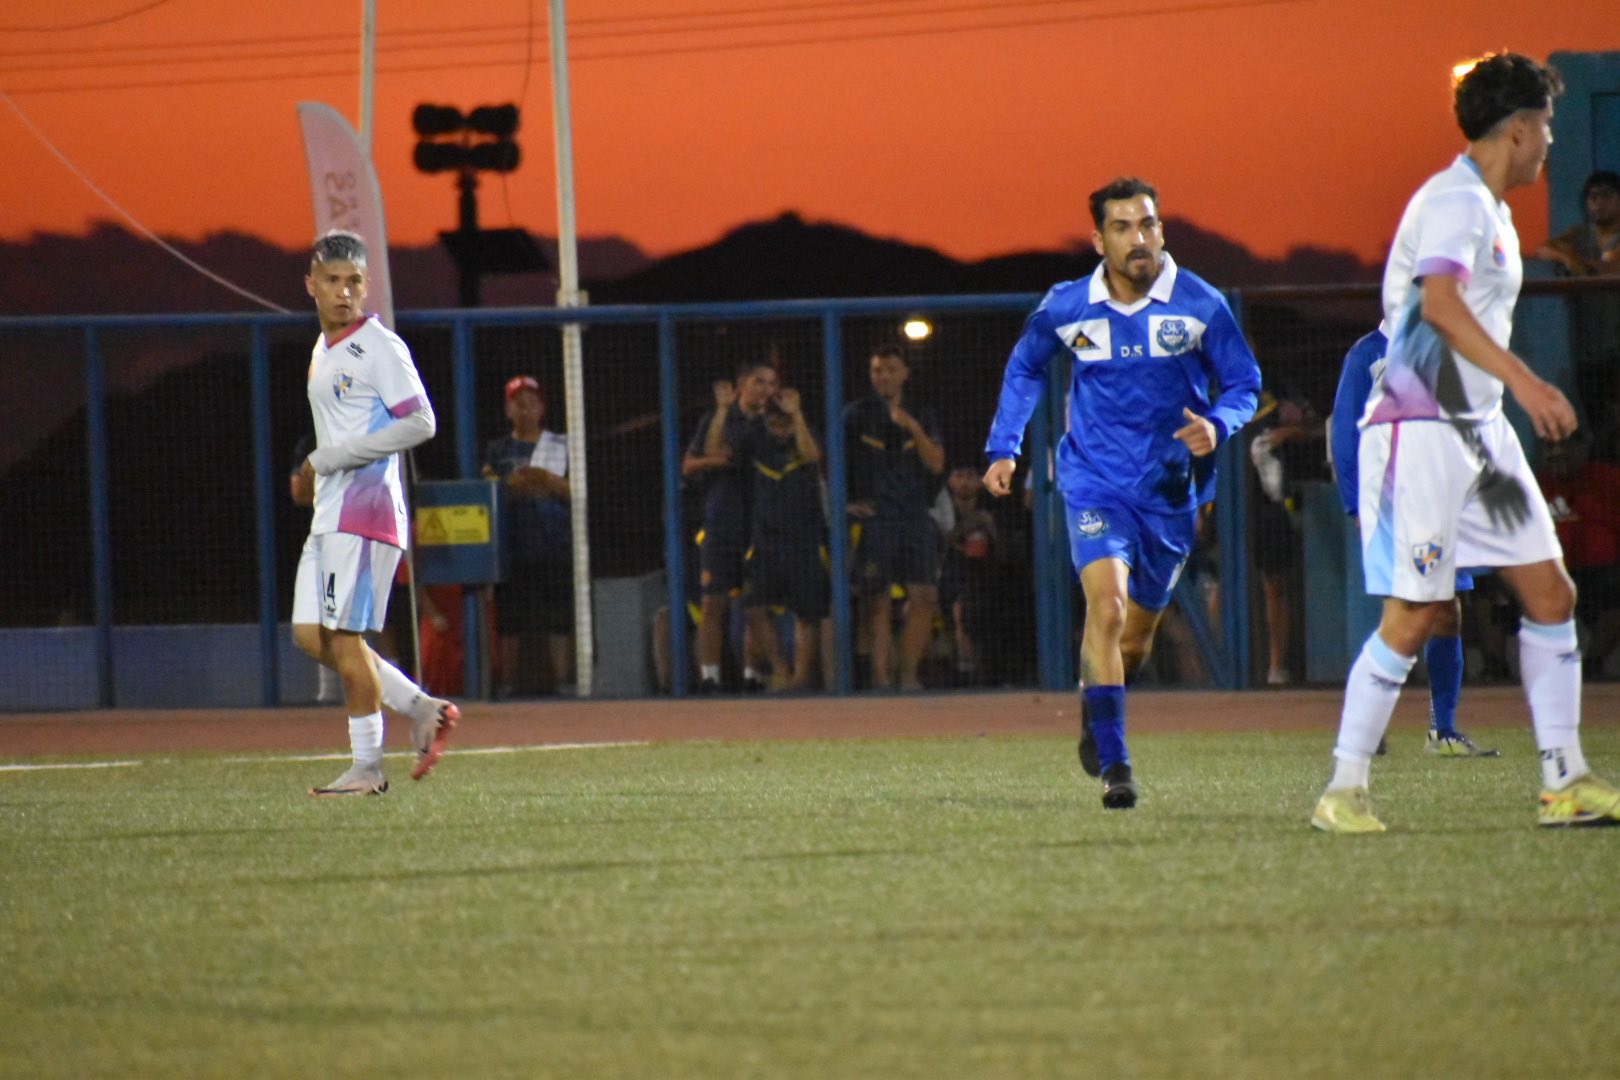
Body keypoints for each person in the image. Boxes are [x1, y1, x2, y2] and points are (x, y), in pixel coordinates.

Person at [1309, 53, 1620, 833]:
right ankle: (1343, 789)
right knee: (1415, 615)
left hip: (1479, 435)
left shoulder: (1490, 210)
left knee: (1550, 594)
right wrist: (1529, 384)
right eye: (1545, 126)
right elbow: (1441, 306)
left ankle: (1565, 781)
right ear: (1517, 130)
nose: (1549, 142)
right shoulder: (1456, 201)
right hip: (1420, 434)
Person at [983, 176, 1262, 809]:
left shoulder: (1199, 302)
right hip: (1094, 482)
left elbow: (1244, 383)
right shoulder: (1068, 305)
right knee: (1105, 610)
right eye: (1123, 227)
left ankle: (1098, 708)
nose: (1140, 239)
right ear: (1098, 240)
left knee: (1135, 640)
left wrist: (1218, 425)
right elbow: (1026, 365)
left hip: (1170, 492)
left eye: (1149, 224)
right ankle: (1116, 764)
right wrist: (1005, 447)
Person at [291, 229, 457, 796]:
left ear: (366, 288)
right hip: (329, 514)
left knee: (344, 638)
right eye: (332, 281)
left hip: (365, 514)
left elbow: (421, 422)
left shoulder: (379, 346)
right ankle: (422, 707)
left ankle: (367, 768)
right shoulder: (322, 350)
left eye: (354, 282)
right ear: (311, 285)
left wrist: (332, 458)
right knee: (310, 635)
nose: (343, 292)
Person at [1329, 326, 1499, 756]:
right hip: (1391, 502)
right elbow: (1344, 434)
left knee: (1446, 612)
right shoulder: (1368, 354)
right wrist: (1355, 504)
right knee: (1403, 614)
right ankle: (1365, 725)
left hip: (1442, 499)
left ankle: (1442, 731)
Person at [845, 345, 946, 691]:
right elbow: (831, 466)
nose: (883, 376)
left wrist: (912, 428)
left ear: (904, 373)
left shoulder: (921, 413)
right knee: (877, 600)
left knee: (925, 596)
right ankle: (881, 681)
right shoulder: (855, 414)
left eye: (890, 369)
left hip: (915, 515)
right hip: (876, 519)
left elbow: (936, 463)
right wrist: (846, 505)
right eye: (877, 370)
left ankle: (908, 677)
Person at [685, 361, 779, 692]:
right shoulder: (716, 418)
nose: (766, 389)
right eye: (759, 382)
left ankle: (754, 675)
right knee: (714, 602)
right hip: (722, 522)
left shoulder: (774, 422)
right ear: (741, 384)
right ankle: (710, 677)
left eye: (771, 383)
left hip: (761, 523)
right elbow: (692, 463)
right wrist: (719, 457)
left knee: (756, 604)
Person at [729, 382, 829, 691]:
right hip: (765, 540)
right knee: (754, 607)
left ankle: (800, 678)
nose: (780, 431)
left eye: (784, 424)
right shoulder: (755, 437)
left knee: (807, 613)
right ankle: (780, 671)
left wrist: (796, 415)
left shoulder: (805, 433)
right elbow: (725, 449)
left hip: (804, 540)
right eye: (775, 423)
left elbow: (812, 456)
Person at [483, 375, 574, 697]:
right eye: (518, 403)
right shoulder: (498, 449)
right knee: (511, 622)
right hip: (511, 547)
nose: (525, 409)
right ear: (508, 409)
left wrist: (543, 480)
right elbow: (492, 489)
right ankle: (507, 685)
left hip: (555, 544)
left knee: (559, 620)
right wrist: (520, 485)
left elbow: (572, 489)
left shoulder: (559, 444)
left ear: (542, 407)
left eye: (531, 402)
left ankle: (564, 684)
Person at [1534, 169, 1620, 276]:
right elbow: (1543, 249)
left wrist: (1581, 265)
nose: (1599, 203)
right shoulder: (1581, 233)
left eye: (1607, 196)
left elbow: (1608, 269)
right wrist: (1568, 258)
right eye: (1593, 197)